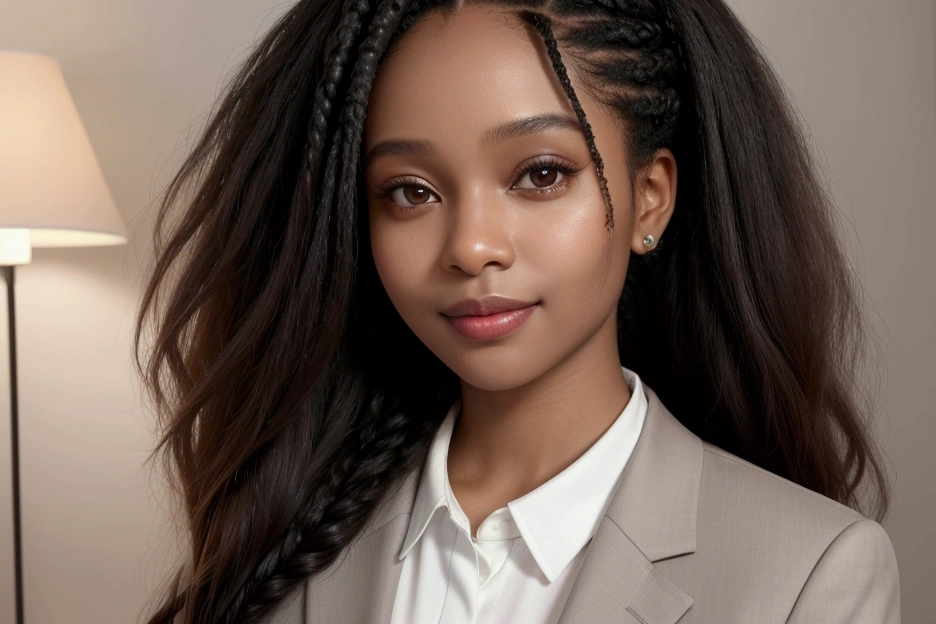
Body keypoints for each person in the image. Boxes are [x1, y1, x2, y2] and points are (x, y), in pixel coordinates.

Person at [134, 0, 900, 622]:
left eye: (539, 174)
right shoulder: (286, 541)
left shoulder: (811, 572)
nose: (470, 247)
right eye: (410, 191)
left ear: (651, 198)